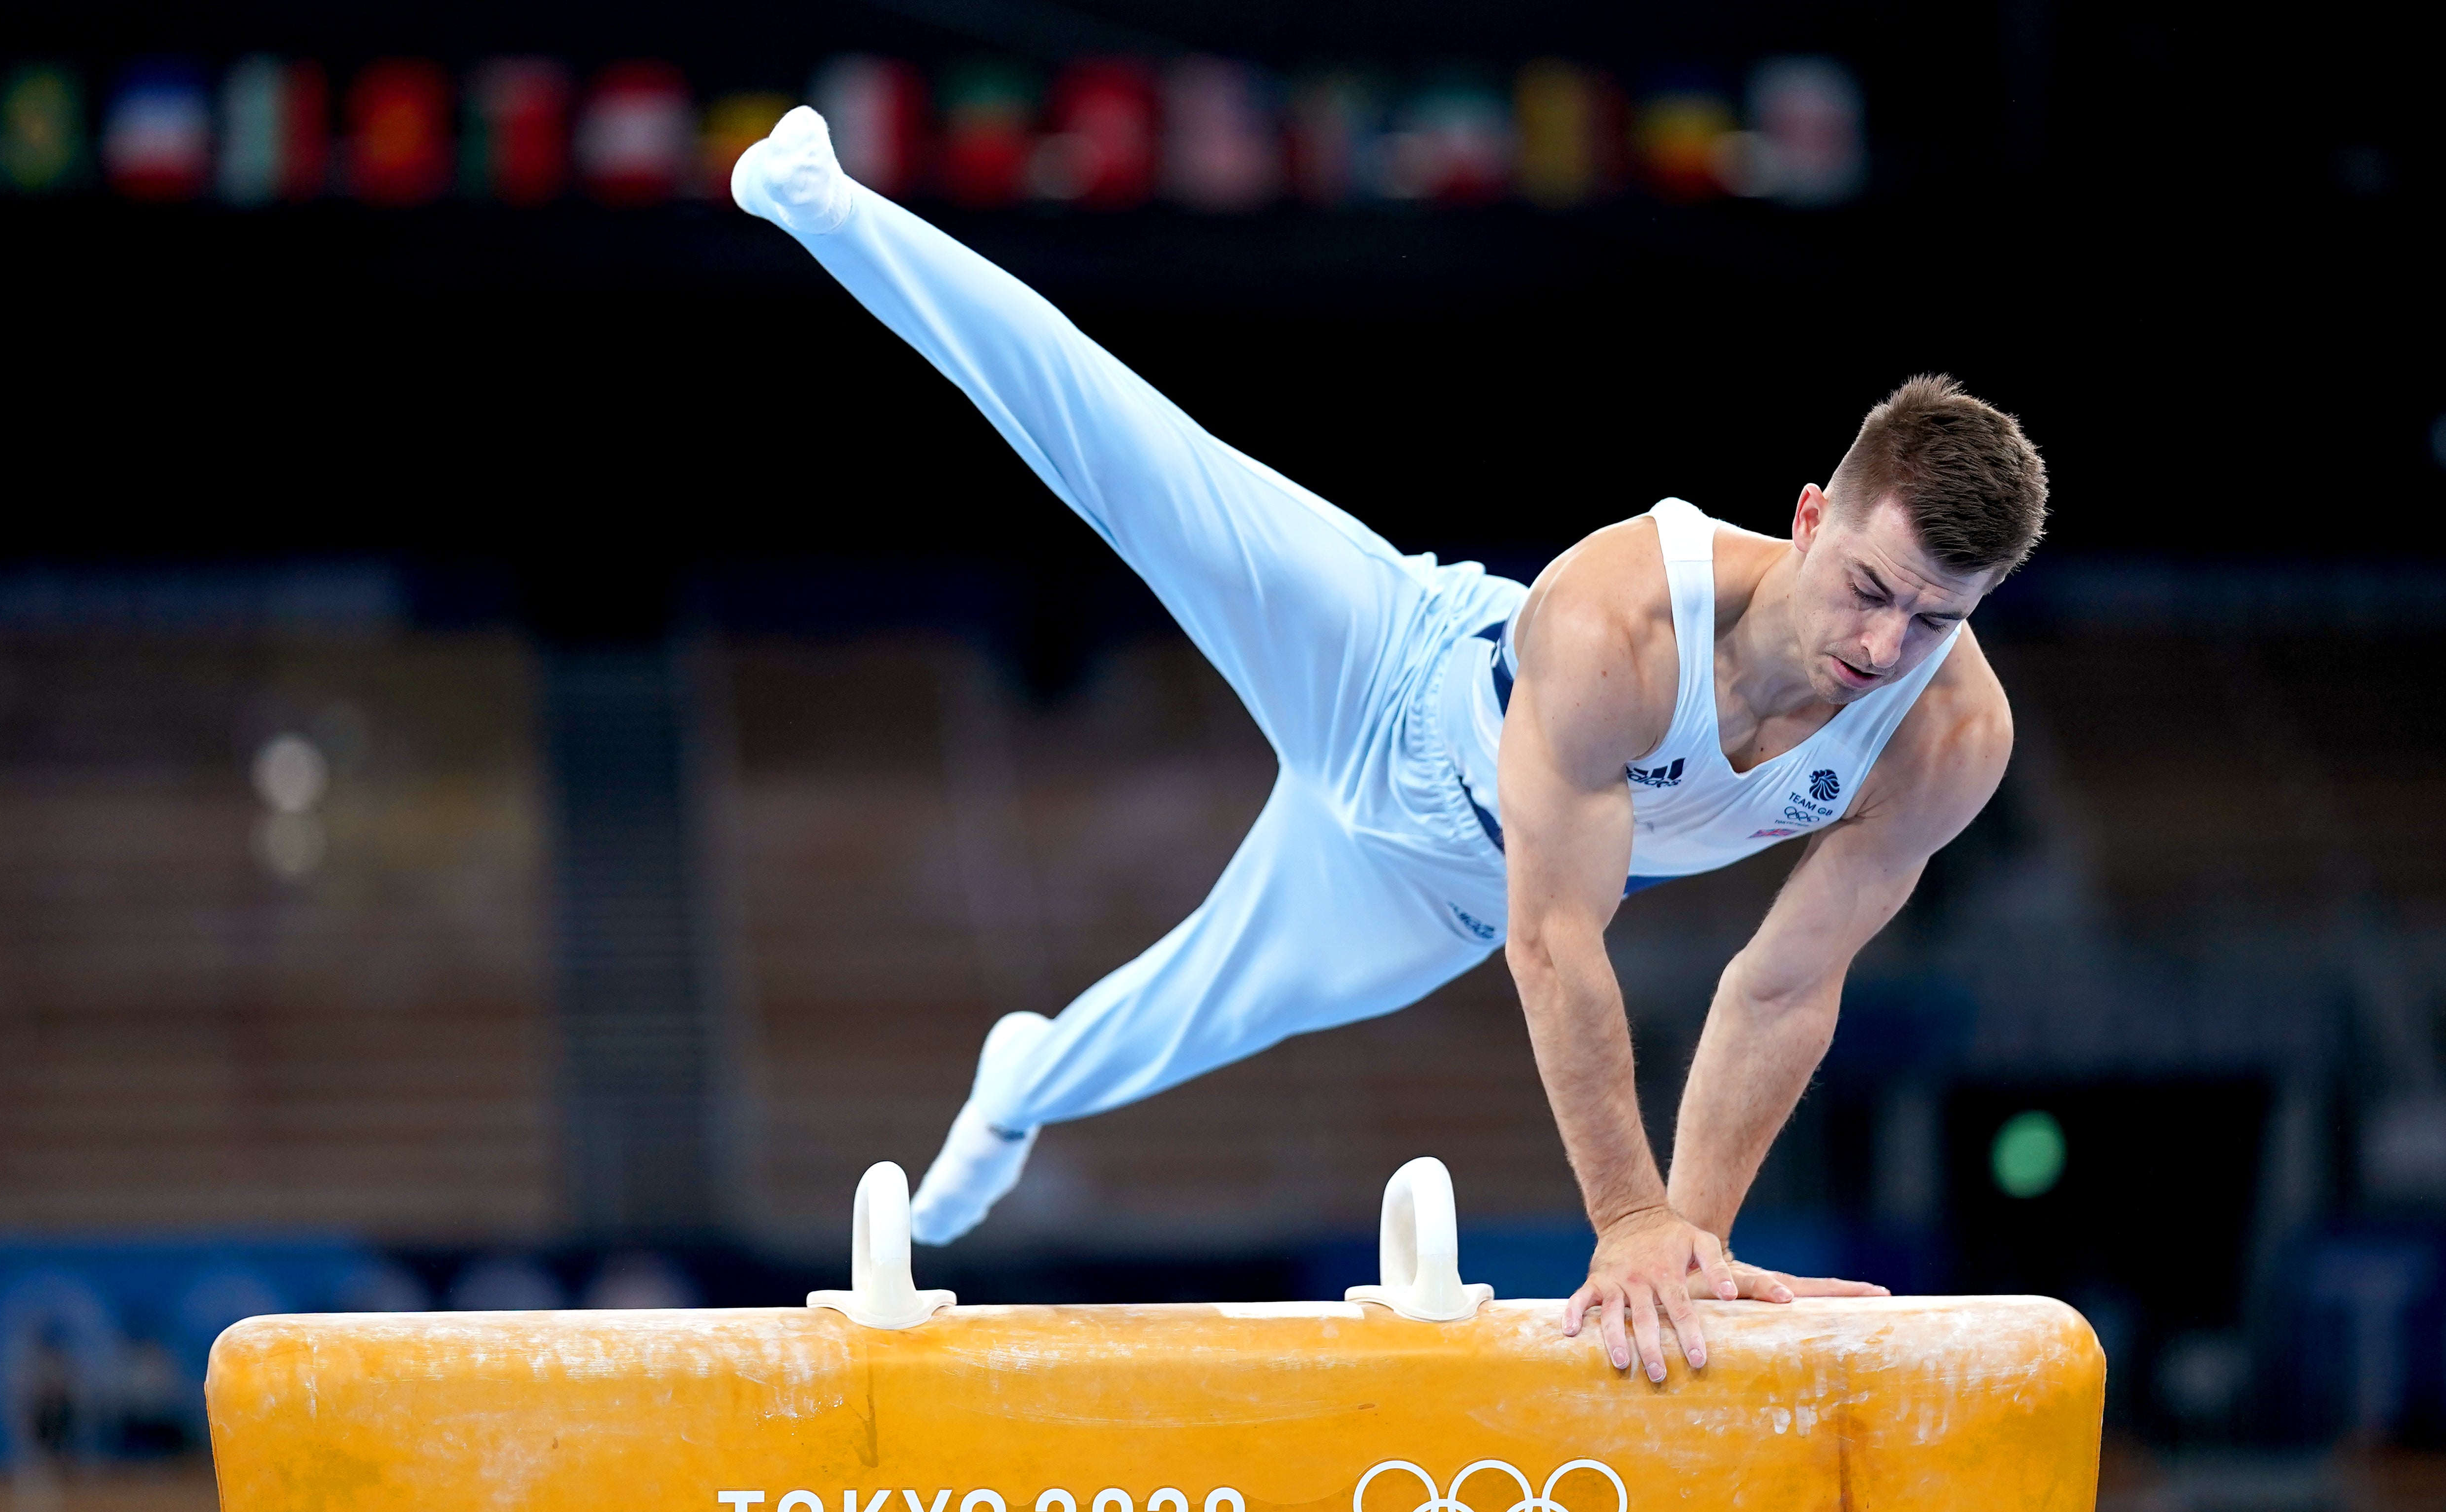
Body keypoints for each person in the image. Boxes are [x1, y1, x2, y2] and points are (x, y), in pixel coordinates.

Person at [733, 109, 2045, 1380]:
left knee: (1195, 1015)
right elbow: (1562, 942)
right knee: (1125, 447)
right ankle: (821, 200)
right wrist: (1624, 1214)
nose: (1884, 649)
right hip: (1384, 662)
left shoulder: (1945, 738)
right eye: (1873, 590)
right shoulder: (1620, 619)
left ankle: (1017, 1086)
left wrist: (1687, 1234)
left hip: (1434, 897)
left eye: (1937, 620)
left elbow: (1782, 984)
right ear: (1813, 517)